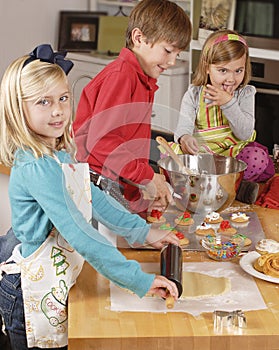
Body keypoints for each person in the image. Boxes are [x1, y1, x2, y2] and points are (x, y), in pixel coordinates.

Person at [0, 44, 180, 350]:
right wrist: (138, 280)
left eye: (63, 98)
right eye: (43, 102)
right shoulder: (37, 167)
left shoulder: (56, 153)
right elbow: (81, 234)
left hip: (54, 279)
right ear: (19, 108)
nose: (57, 110)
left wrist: (142, 231)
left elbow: (91, 196)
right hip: (28, 288)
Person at [73, 0, 192, 215]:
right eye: (168, 51)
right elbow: (103, 143)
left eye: (178, 54)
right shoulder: (122, 76)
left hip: (114, 183)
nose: (173, 61)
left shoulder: (142, 79)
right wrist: (146, 176)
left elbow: (128, 144)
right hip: (94, 186)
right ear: (139, 38)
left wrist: (138, 196)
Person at [174, 29, 275, 204]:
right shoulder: (194, 94)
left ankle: (220, 186)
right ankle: (233, 188)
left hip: (233, 155)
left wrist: (228, 103)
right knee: (171, 158)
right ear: (207, 68)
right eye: (223, 70)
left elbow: (244, 133)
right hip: (204, 154)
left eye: (238, 71)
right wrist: (185, 138)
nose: (231, 78)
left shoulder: (245, 94)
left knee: (257, 158)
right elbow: (183, 126)